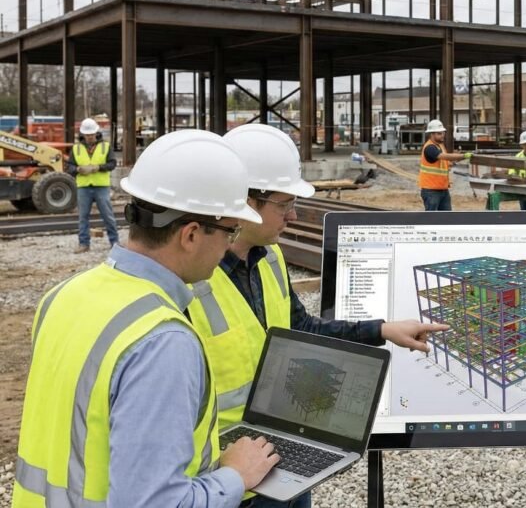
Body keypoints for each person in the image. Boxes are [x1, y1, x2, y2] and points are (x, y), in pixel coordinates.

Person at [187, 124, 449, 508]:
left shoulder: (269, 259)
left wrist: (383, 329)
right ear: (245, 201)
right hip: (226, 479)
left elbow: (302, 330)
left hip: (283, 456)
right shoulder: (190, 283)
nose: (293, 215)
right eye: (284, 203)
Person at [14, 130, 279, 507]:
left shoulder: (63, 295)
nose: (228, 245)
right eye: (230, 230)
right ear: (190, 235)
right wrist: (234, 476)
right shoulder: (162, 341)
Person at [68, 117, 119, 253]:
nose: (90, 137)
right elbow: (70, 167)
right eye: (87, 134)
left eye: (92, 134)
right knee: (83, 217)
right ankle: (84, 244)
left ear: (96, 133)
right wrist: (78, 169)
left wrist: (98, 167)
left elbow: (112, 164)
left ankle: (114, 242)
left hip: (101, 186)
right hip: (84, 186)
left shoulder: (105, 147)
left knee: (107, 215)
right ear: (83, 134)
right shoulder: (76, 148)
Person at [419, 119, 472, 211]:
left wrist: (455, 161)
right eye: (439, 133)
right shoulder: (430, 148)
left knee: (446, 218)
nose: (442, 135)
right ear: (432, 134)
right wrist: (463, 156)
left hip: (442, 189)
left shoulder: (440, 146)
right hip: (431, 190)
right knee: (432, 220)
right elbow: (444, 156)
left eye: (443, 133)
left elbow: (446, 162)